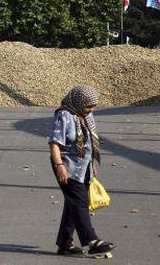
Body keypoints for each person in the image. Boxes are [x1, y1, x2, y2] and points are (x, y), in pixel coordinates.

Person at [48, 84, 114, 256]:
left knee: (72, 204)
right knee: (79, 202)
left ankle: (65, 244)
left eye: (93, 107)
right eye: (88, 107)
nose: (90, 110)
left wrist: (93, 165)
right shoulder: (64, 115)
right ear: (77, 102)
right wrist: (59, 166)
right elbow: (54, 143)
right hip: (66, 165)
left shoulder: (87, 116)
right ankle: (92, 241)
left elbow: (91, 142)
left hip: (83, 167)